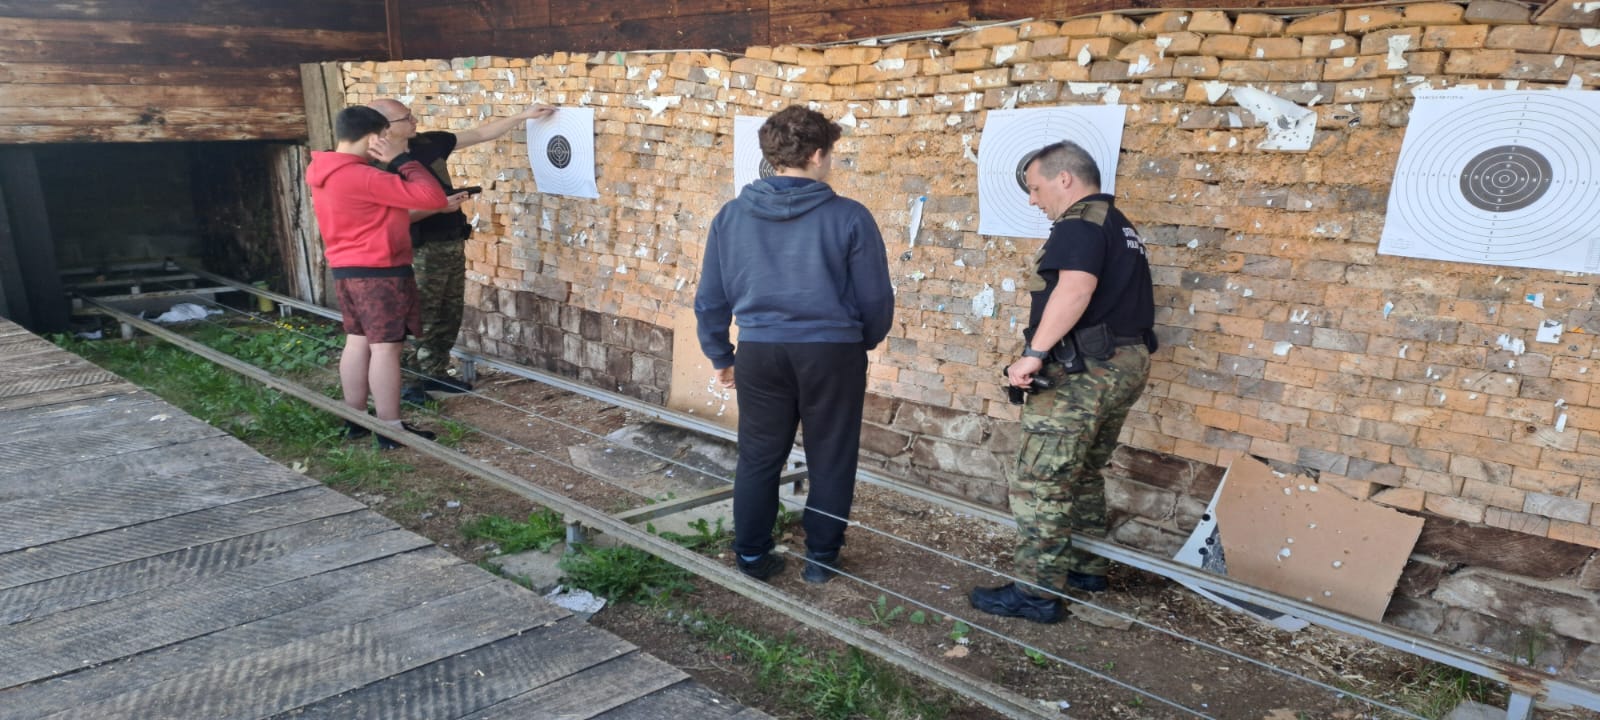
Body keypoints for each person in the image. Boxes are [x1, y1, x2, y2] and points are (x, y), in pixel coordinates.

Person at [695, 105, 894, 585]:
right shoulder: (850, 217)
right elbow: (876, 299)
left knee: (759, 456)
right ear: (819, 155)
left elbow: (710, 298)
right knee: (831, 456)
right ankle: (820, 560)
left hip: (760, 351)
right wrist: (858, 344)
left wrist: (721, 354)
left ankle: (751, 556)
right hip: (832, 352)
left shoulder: (731, 216)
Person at [969, 140, 1155, 623]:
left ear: (1065, 179)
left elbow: (1075, 289)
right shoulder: (1119, 224)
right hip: (1124, 363)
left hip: (1084, 372)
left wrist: (1033, 355)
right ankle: (1085, 568)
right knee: (1084, 472)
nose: (1033, 200)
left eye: (1035, 188)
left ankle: (1036, 594)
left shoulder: (1078, 223)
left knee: (1040, 481)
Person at [366, 98, 555, 405]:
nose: (414, 120)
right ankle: (407, 381)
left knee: (448, 313)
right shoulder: (373, 164)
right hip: (415, 249)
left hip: (449, 242)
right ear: (385, 128)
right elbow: (384, 218)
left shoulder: (428, 143)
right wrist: (435, 208)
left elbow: (480, 134)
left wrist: (524, 115)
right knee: (419, 316)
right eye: (406, 118)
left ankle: (434, 372)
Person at [306, 106, 449, 449]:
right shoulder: (363, 176)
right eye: (385, 136)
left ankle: (355, 418)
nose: (388, 141)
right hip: (380, 271)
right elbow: (434, 197)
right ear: (373, 137)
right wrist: (401, 159)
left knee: (357, 341)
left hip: (347, 269)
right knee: (386, 349)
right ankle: (390, 427)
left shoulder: (322, 168)